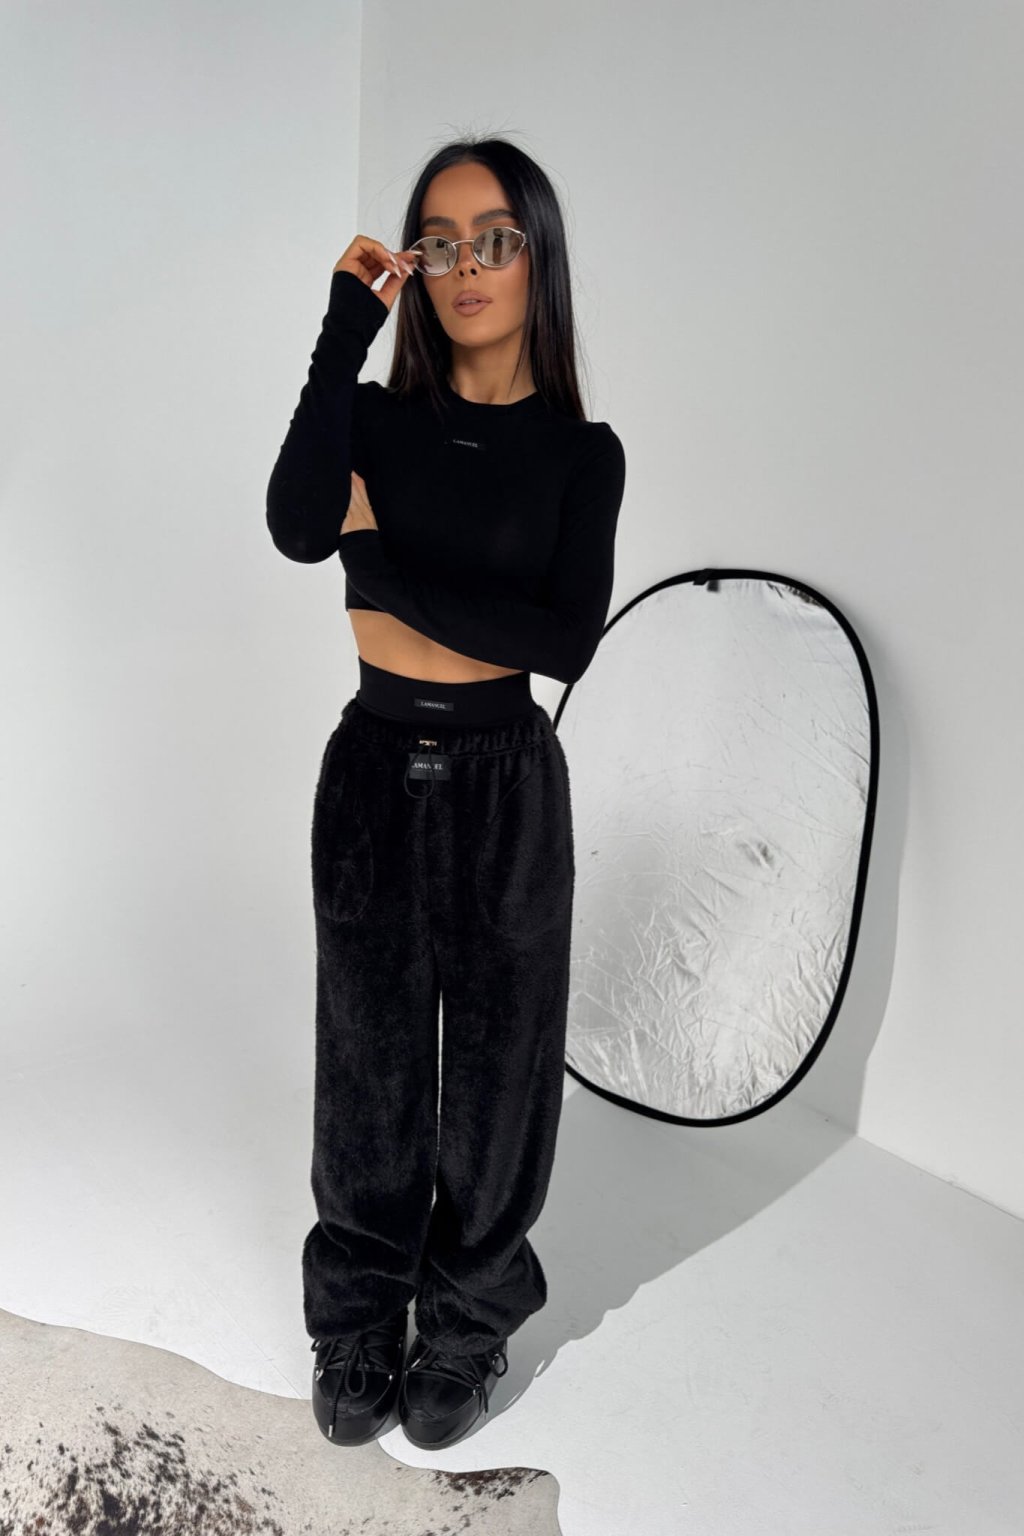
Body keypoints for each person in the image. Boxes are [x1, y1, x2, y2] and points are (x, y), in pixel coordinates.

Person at [266, 136, 626, 1451]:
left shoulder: (582, 455)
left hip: (504, 787)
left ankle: (468, 1320)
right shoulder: (371, 416)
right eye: (441, 241)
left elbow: (562, 642)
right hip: (372, 770)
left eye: (497, 239)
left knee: (496, 1074)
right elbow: (298, 526)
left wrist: (383, 568)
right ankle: (358, 1314)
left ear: (538, 259)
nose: (468, 265)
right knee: (366, 1066)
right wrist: (340, 329)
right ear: (414, 266)